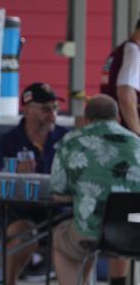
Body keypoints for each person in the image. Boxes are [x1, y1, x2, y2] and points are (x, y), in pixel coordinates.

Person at [50, 94, 140, 285]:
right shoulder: (136, 142)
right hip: (133, 230)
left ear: (87, 119)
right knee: (122, 218)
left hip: (89, 232)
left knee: (61, 239)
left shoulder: (71, 141)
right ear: (118, 118)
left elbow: (58, 193)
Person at [0, 82, 70, 284]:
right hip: (21, 210)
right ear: (27, 109)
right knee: (23, 235)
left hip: (60, 210)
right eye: (45, 108)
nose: (52, 112)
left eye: (54, 107)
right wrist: (16, 172)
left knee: (77, 237)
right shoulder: (9, 140)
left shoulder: (67, 138)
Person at [100, 18, 140, 136]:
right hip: (125, 133)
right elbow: (126, 96)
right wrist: (137, 133)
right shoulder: (133, 52)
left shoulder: (121, 50)